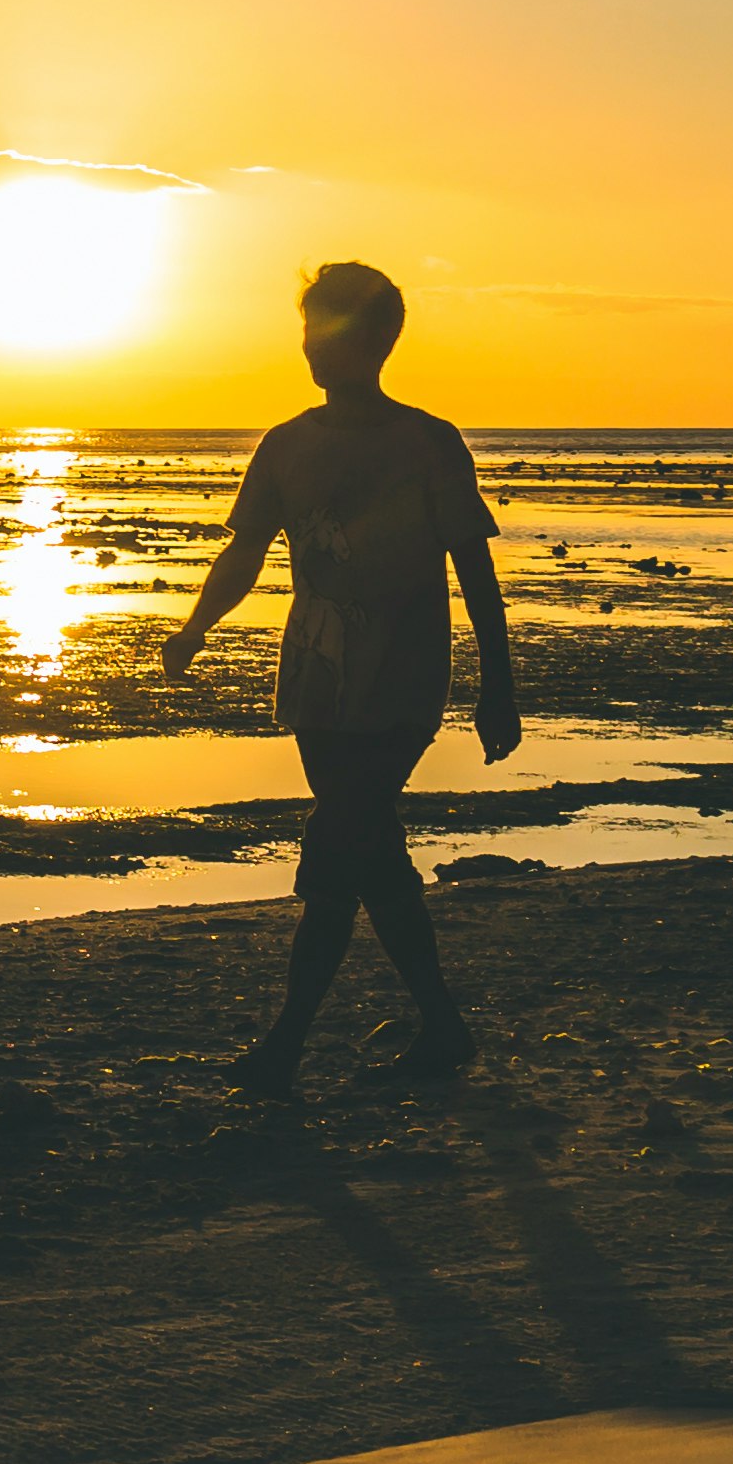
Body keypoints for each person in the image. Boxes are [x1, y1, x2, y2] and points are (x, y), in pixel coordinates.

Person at [159, 259, 518, 1091]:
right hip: (316, 683)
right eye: (310, 329)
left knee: (339, 842)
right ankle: (443, 1026)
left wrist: (497, 684)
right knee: (367, 848)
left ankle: (287, 1040)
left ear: (377, 342)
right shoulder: (286, 445)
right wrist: (195, 629)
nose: (317, 347)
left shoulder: (428, 441)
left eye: (335, 330)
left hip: (404, 682)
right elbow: (244, 550)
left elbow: (474, 566)